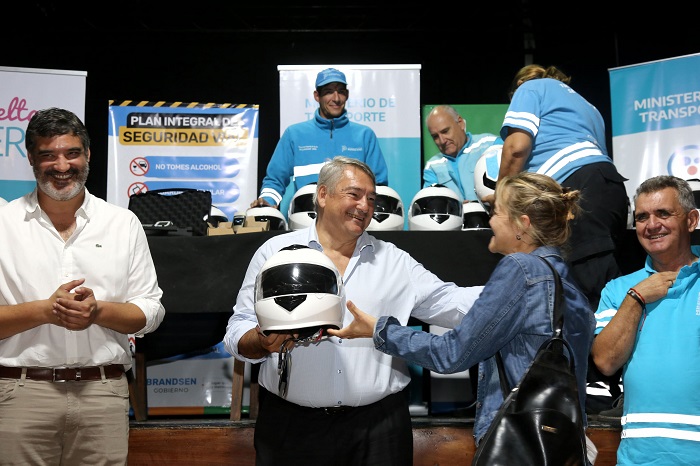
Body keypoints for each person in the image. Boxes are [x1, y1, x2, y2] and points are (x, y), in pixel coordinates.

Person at [224, 156, 482, 466]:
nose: (365, 205)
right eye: (354, 194)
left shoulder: (394, 262)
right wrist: (261, 341)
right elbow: (237, 330)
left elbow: (452, 303)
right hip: (290, 429)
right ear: (323, 195)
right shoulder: (274, 254)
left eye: (371, 198)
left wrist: (517, 290)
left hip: (380, 430)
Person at [329, 172, 596, 457]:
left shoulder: (521, 269)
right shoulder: (568, 282)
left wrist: (380, 330)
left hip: (520, 446)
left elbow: (451, 353)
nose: (490, 221)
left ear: (522, 224)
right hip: (564, 445)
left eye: (496, 212)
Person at [0, 107, 166, 465]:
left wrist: (98, 311)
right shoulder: (3, 223)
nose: (62, 166)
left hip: (102, 395)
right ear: (30, 158)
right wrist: (46, 311)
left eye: (71, 153)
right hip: (19, 392)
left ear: (88, 155)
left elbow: (150, 312)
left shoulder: (123, 223)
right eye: (48, 155)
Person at [487, 64, 629, 413]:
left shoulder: (531, 89)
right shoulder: (588, 106)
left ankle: (591, 382)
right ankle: (601, 377)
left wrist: (503, 194)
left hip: (579, 189)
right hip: (609, 189)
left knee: (576, 289)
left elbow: (516, 148)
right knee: (599, 281)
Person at [591, 175, 700, 465]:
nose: (651, 225)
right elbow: (605, 361)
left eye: (663, 213)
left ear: (691, 220)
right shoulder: (619, 290)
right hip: (639, 458)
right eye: (641, 217)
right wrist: (636, 297)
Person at [250, 67, 389, 209]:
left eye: (341, 91)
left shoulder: (365, 135)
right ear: (317, 96)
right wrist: (267, 202)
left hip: (351, 220)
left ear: (347, 95)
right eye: (329, 92)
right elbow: (275, 180)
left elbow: (378, 186)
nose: (336, 98)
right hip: (305, 219)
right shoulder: (295, 134)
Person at [423, 104, 503, 203]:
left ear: (460, 123)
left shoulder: (491, 145)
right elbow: (431, 205)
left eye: (445, 131)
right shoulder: (432, 167)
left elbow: (513, 186)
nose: (442, 140)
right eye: (435, 136)